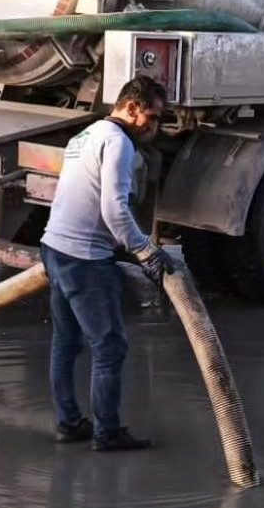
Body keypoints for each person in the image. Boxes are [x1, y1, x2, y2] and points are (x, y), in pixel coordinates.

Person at [40, 75, 174, 451]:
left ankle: (69, 424)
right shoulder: (119, 143)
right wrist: (147, 252)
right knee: (110, 347)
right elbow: (114, 210)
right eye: (153, 116)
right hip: (84, 259)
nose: (155, 126)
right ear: (131, 108)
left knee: (66, 342)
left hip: (54, 248)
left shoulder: (85, 135)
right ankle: (107, 433)